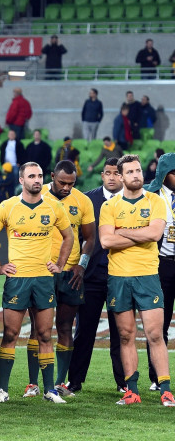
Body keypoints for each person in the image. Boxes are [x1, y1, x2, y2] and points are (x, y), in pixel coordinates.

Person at [0, 161, 74, 404]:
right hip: (17, 279)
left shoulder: (53, 207)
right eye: (31, 176)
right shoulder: (9, 206)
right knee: (10, 333)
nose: (36, 179)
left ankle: (50, 390)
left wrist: (60, 265)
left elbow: (69, 236)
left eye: (40, 175)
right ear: (21, 180)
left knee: (45, 334)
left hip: (43, 279)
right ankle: (2, 390)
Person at [100, 154, 173, 406]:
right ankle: (131, 391)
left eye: (138, 171)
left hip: (148, 276)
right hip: (118, 278)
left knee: (155, 335)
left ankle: (165, 389)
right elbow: (105, 241)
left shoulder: (155, 200)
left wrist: (122, 232)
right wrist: (137, 234)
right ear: (120, 177)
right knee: (125, 335)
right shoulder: (109, 206)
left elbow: (155, 234)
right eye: (130, 172)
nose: (136, 175)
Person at [25, 161, 95, 398]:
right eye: (62, 182)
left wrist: (81, 266)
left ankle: (60, 382)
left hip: (70, 274)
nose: (66, 187)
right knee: (38, 328)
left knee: (65, 326)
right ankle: (32, 384)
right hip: (40, 271)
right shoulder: (36, 193)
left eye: (71, 183)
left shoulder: (82, 201)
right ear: (52, 176)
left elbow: (90, 238)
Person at [67, 157, 126, 393]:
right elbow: (80, 237)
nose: (111, 177)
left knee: (121, 331)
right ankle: (75, 381)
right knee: (85, 330)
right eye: (107, 173)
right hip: (90, 276)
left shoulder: (131, 200)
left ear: (122, 176)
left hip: (120, 274)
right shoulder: (87, 199)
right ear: (102, 175)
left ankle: (123, 382)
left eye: (116, 173)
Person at [142, 153, 175, 392]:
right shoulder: (150, 196)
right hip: (161, 264)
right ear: (164, 174)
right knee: (158, 323)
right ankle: (157, 377)